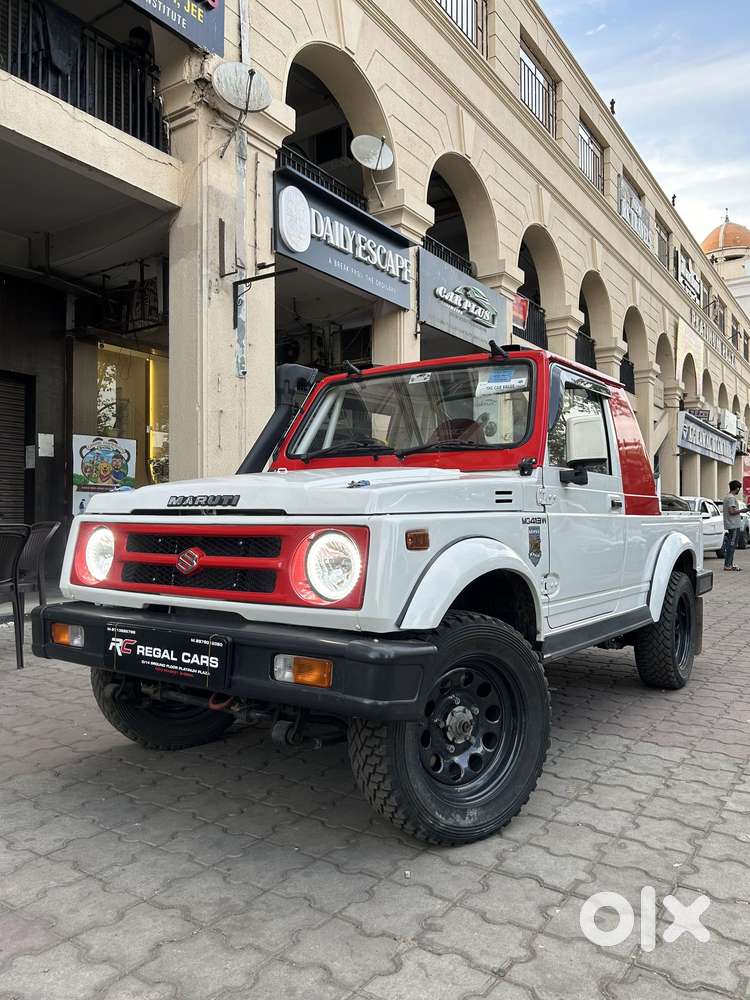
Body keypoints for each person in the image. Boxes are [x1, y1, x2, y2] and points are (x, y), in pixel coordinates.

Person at [721, 480, 747, 571]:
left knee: (731, 545)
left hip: (731, 524)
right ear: (737, 488)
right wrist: (743, 510)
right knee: (731, 545)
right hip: (733, 525)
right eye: (739, 489)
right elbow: (732, 511)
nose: (739, 490)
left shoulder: (727, 497)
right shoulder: (731, 498)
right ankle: (728, 565)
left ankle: (729, 564)